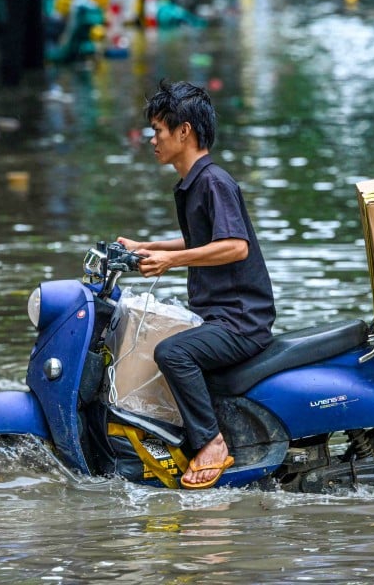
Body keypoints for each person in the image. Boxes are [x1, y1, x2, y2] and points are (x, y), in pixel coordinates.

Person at [118, 80, 276, 490]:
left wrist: (170, 260)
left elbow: (235, 247)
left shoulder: (213, 182)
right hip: (218, 315)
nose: (153, 140)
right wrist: (146, 247)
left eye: (159, 130)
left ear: (183, 131)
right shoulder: (193, 183)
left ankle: (212, 444)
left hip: (240, 321)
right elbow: (203, 243)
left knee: (171, 352)